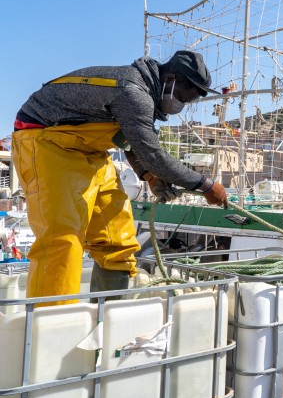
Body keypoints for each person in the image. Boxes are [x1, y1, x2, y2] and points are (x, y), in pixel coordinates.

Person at [13, 50, 229, 306]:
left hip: (90, 151)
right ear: (170, 78)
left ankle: (107, 314)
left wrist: (148, 176)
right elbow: (152, 153)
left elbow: (129, 143)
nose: (181, 104)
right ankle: (50, 325)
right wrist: (205, 186)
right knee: (63, 237)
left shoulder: (143, 95)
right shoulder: (132, 92)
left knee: (118, 236)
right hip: (45, 142)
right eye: (183, 96)